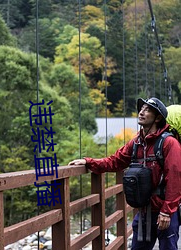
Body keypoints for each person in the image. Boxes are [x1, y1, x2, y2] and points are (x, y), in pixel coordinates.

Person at [68, 97, 181, 250]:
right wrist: (88, 162)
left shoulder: (169, 143)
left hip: (164, 211)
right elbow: (115, 161)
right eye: (141, 109)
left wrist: (167, 212)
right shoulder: (136, 143)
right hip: (144, 211)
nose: (141, 112)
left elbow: (175, 178)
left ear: (158, 118)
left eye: (147, 110)